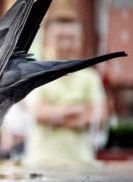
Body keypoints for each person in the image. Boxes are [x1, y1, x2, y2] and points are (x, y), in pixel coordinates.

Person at [22, 16, 108, 168]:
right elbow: (38, 113)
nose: (66, 44)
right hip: (41, 164)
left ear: (80, 40)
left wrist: (55, 115)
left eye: (72, 38)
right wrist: (78, 110)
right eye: (60, 38)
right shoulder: (36, 73)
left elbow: (99, 117)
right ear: (46, 41)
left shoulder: (90, 77)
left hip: (83, 164)